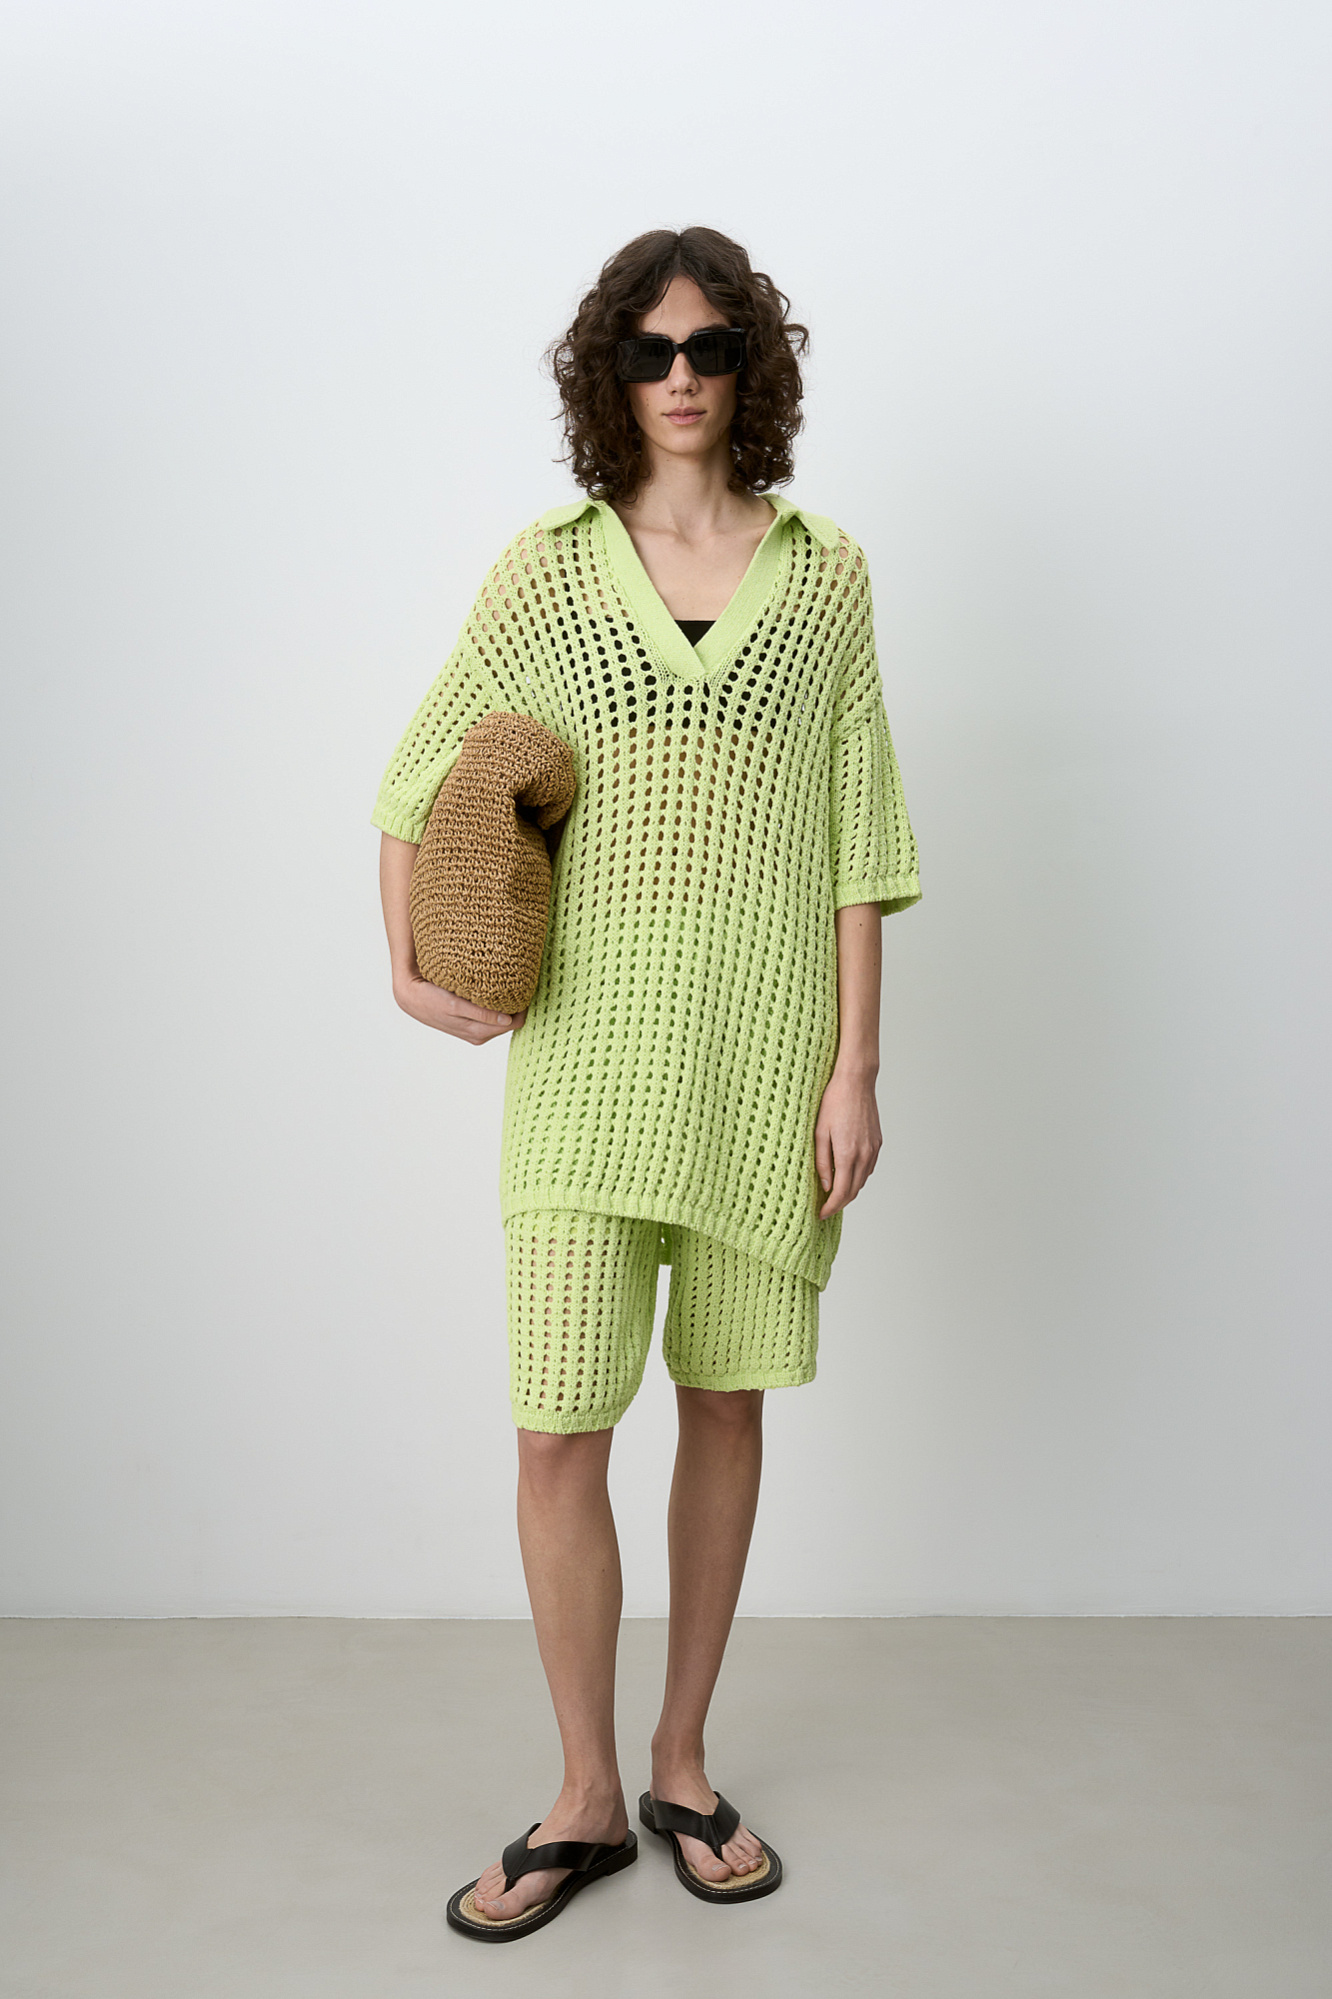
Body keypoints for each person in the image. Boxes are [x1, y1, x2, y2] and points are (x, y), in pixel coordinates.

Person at [372, 225, 921, 1941]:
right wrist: (408, 966)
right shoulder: (549, 572)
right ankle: (583, 1792)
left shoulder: (823, 574)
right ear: (607, 374)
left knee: (726, 1404)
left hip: (765, 1063)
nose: (680, 376)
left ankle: (681, 1762)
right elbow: (421, 773)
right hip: (589, 1059)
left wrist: (857, 1066)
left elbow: (860, 836)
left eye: (710, 345)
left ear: (754, 365)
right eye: (647, 349)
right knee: (558, 1425)